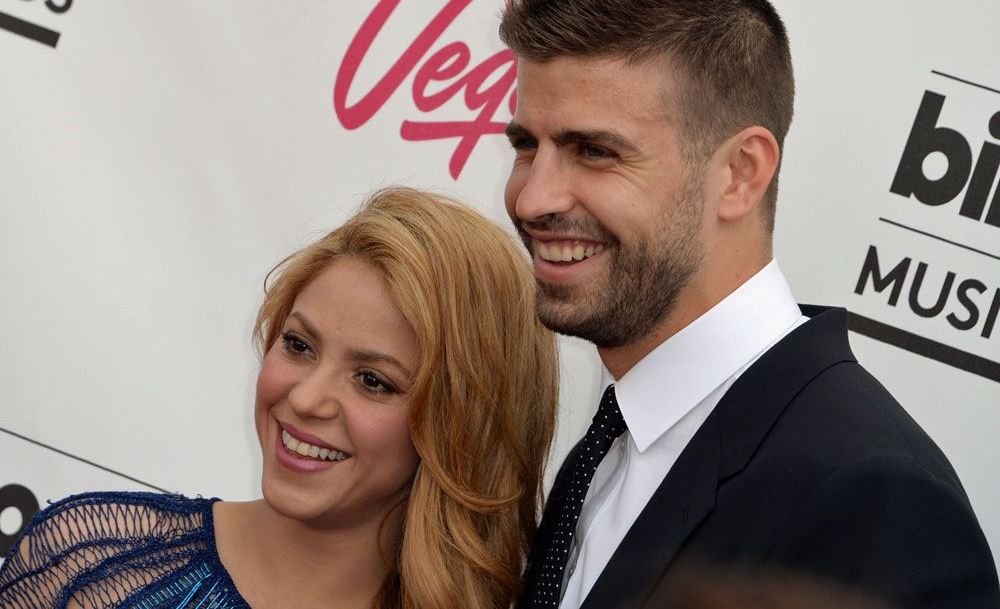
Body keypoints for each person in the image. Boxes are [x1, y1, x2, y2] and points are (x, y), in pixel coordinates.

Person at [498, 2, 1000, 609]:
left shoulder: (876, 497)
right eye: (527, 146)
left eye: (595, 152)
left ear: (740, 173)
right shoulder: (607, 443)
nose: (533, 199)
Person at [0, 187, 559, 609]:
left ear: (462, 426)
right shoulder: (90, 564)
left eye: (372, 380)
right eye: (299, 345)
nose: (308, 398)